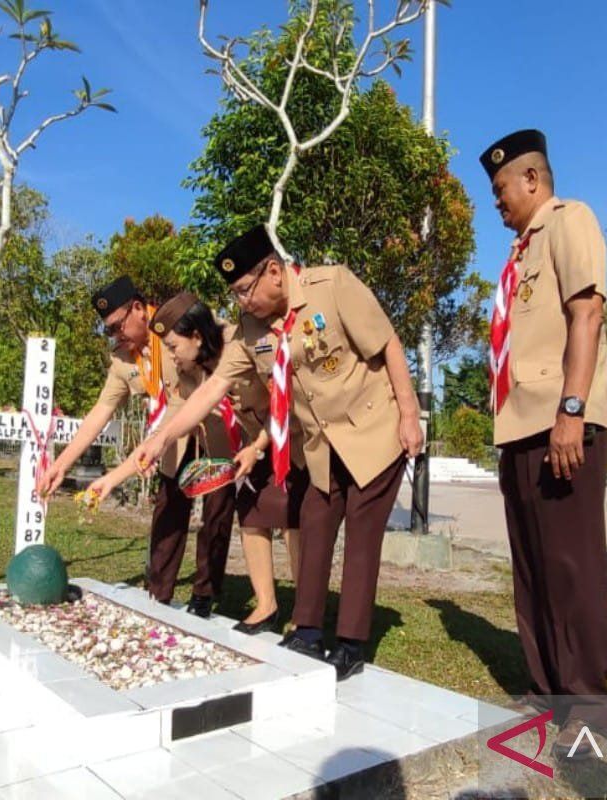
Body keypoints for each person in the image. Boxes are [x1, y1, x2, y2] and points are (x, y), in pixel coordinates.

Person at [135, 225, 423, 680]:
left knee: (362, 536)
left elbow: (387, 343)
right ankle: (307, 631)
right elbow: (212, 389)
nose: (242, 302)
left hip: (373, 429)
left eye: (246, 290)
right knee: (315, 520)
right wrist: (162, 438)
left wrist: (410, 414)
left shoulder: (333, 286)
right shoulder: (250, 330)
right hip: (323, 446)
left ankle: (351, 642)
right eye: (235, 295)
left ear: (273, 271)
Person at [480, 129, 607, 758]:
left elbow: (586, 314)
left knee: (570, 564)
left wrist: (572, 410)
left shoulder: (569, 221)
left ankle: (588, 704)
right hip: (520, 426)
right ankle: (546, 689)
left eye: (501, 187)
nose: (497, 200)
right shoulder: (518, 251)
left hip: (562, 421)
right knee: (533, 566)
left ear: (532, 179)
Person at [88, 291, 305, 635]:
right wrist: (114, 477)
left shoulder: (240, 344)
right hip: (246, 452)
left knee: (291, 522)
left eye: (173, 347)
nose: (171, 357)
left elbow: (283, 396)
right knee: (251, 519)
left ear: (197, 336)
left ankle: (306, 616)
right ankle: (267, 607)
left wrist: (260, 444)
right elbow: (168, 428)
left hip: (285, 442)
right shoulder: (190, 374)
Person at [36, 276, 234, 617]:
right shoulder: (123, 360)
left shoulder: (177, 325)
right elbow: (101, 410)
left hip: (216, 426)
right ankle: (159, 592)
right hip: (170, 438)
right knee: (169, 509)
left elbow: (222, 345)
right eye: (109, 331)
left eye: (117, 326)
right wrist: (61, 463)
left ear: (139, 309)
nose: (115, 335)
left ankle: (205, 594)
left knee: (217, 511)